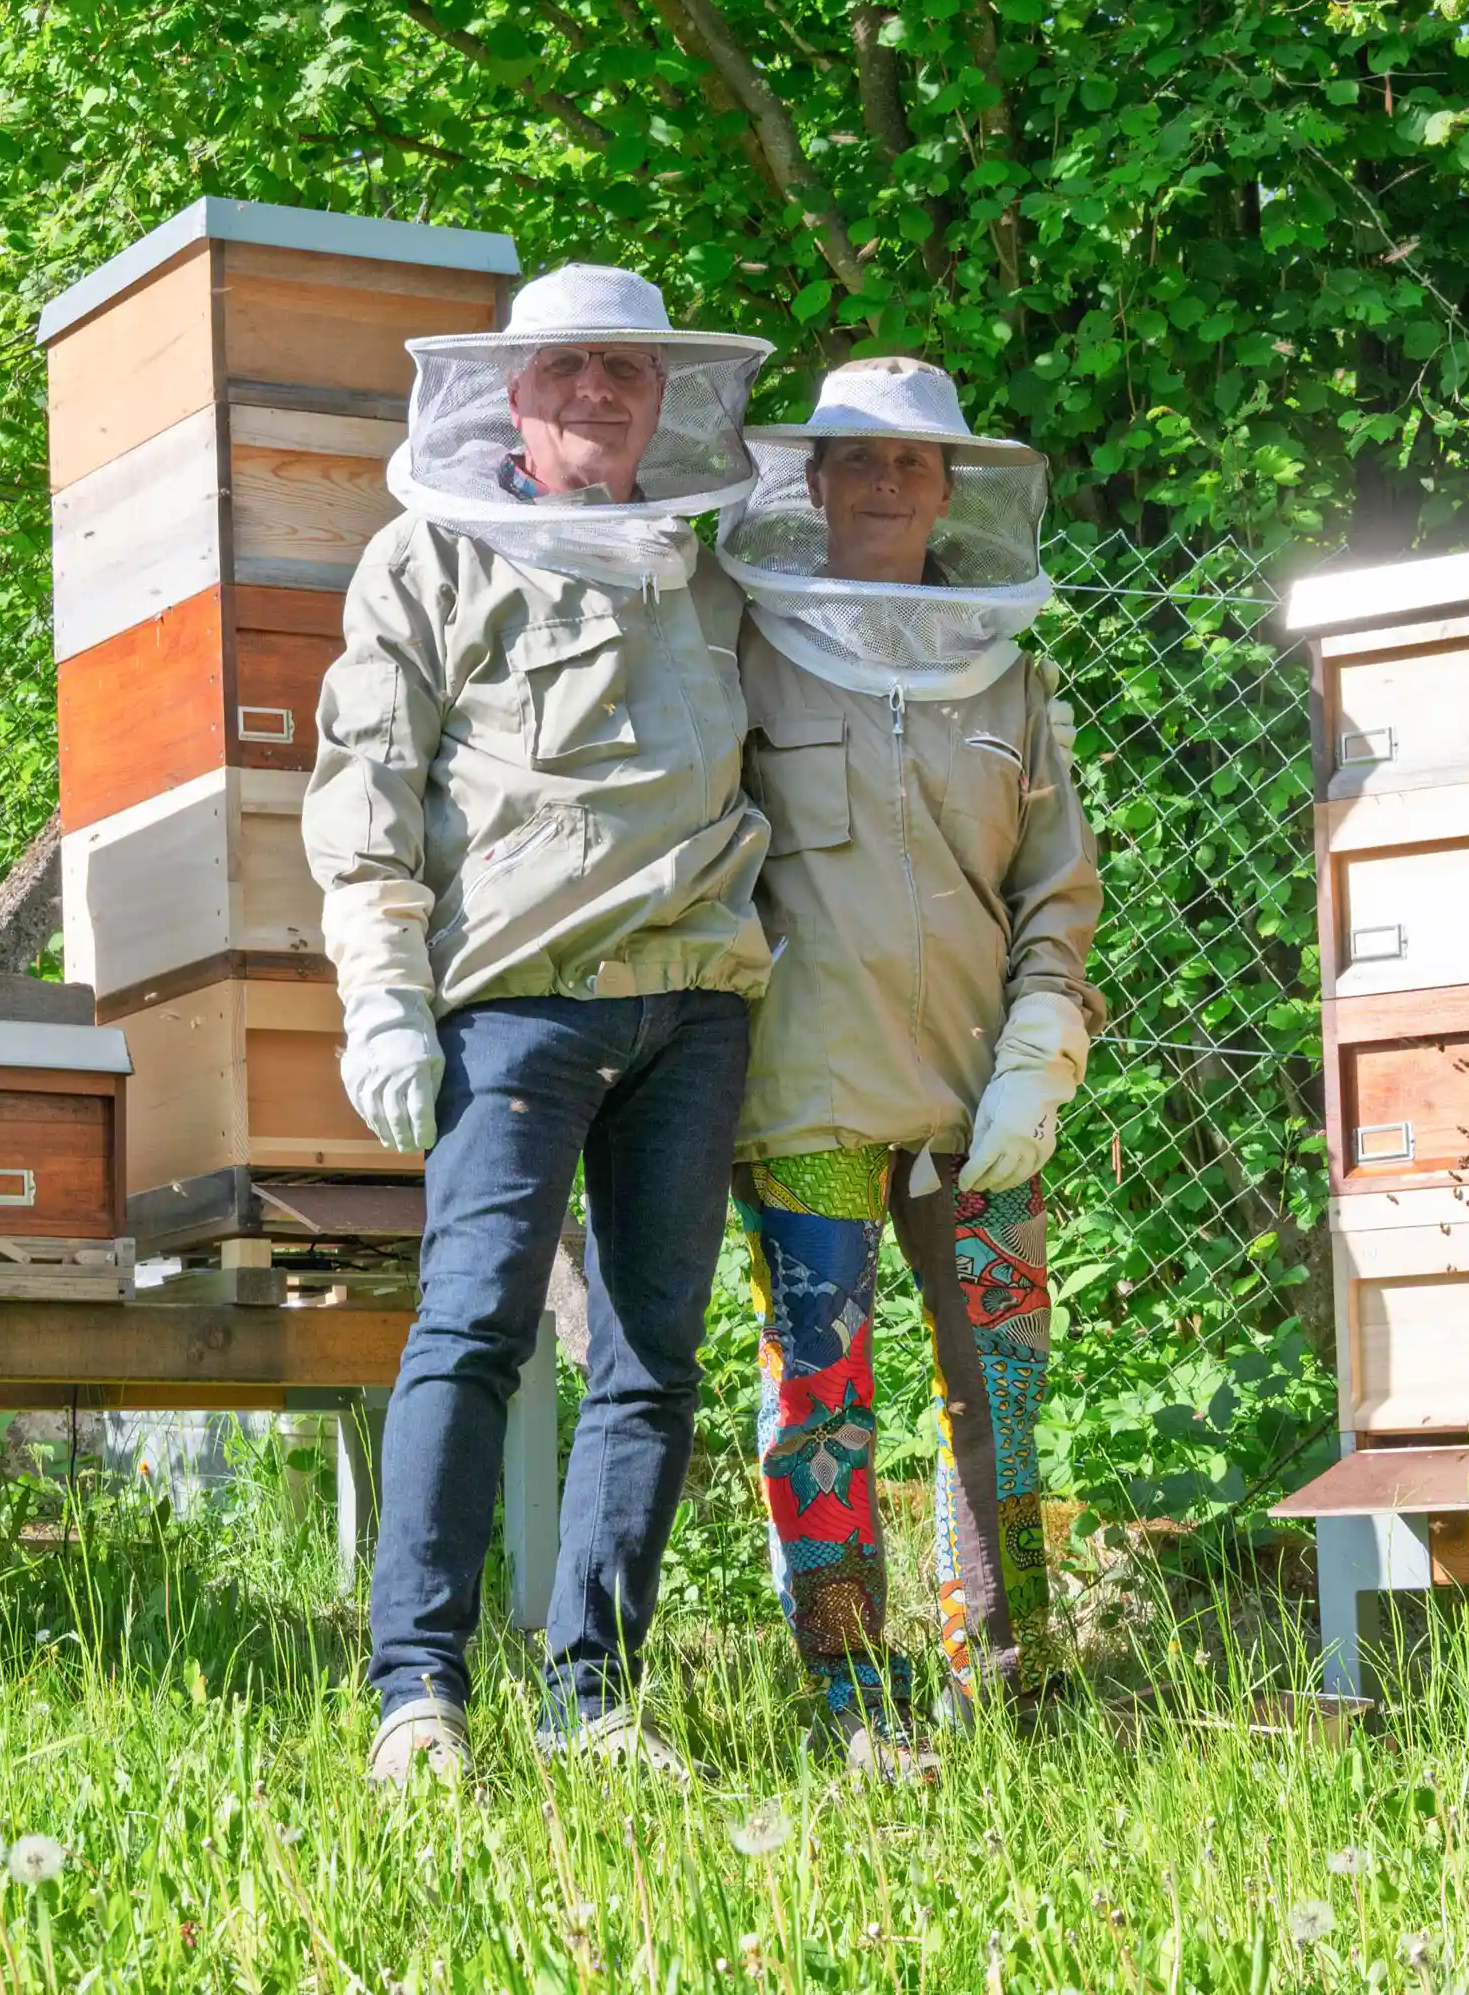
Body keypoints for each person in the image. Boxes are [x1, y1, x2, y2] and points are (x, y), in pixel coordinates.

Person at [302, 264, 773, 1786]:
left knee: (653, 1357)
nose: (597, 394)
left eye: (626, 372)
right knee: (473, 1328)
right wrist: (380, 996)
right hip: (514, 1007)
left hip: (693, 1005)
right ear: (509, 394)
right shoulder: (426, 559)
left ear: (662, 398)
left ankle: (596, 1697)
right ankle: (415, 1696)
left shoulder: (702, 570)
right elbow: (364, 797)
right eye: (568, 370)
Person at [716, 357, 1104, 1776]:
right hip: (803, 1084)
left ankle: (1007, 1682)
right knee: (819, 1392)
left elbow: (1056, 885)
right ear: (807, 480)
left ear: (952, 485)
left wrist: (1042, 1045)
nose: (887, 484)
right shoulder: (745, 642)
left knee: (996, 1388)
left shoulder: (1011, 662)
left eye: (913, 463)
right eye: (858, 460)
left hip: (977, 1105)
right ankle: (850, 1693)